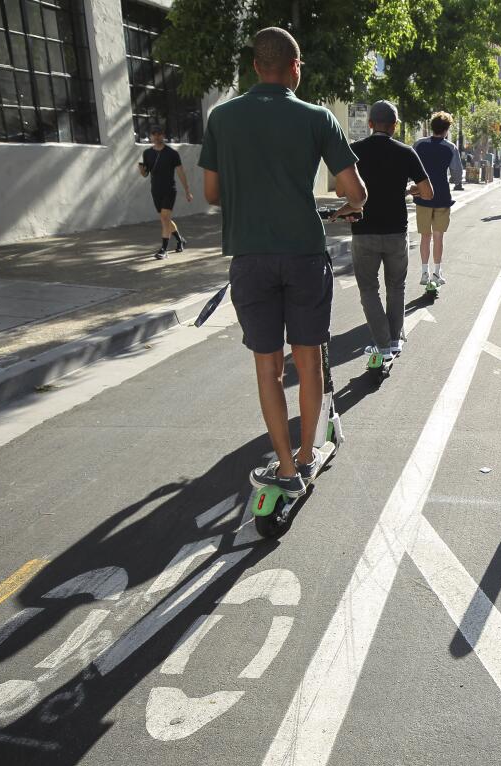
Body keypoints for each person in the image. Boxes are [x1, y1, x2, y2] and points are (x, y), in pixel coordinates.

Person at [199, 27, 367, 499]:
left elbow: (212, 193)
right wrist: (349, 206)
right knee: (309, 360)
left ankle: (286, 469)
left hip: (250, 257)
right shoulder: (317, 118)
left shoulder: (222, 118)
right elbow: (356, 191)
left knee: (267, 367)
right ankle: (309, 456)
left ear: (255, 65)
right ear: (295, 68)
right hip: (304, 256)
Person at [350, 100, 434, 363]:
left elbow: (344, 191)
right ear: (395, 126)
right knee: (396, 288)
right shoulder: (406, 152)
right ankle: (394, 341)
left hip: (363, 230)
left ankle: (384, 344)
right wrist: (409, 189)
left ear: (370, 124)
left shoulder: (354, 151)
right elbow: (428, 192)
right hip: (397, 231)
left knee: (368, 289)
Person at [413, 112, 463, 286]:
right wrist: (455, 181)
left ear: (431, 126)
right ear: (447, 129)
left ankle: (424, 273)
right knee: (438, 236)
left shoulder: (419, 145)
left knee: (424, 236)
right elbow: (457, 174)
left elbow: (410, 167)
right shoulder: (450, 148)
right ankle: (436, 273)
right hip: (442, 196)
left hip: (422, 196)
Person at [138, 125, 192, 259]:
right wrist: (142, 171)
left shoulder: (172, 154)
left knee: (164, 218)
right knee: (165, 218)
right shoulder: (147, 153)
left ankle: (164, 249)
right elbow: (146, 174)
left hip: (169, 189)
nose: (156, 136)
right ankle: (180, 240)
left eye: (159, 134)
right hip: (155, 190)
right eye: (154, 134)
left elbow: (180, 172)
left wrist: (187, 190)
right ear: (150, 136)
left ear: (163, 135)